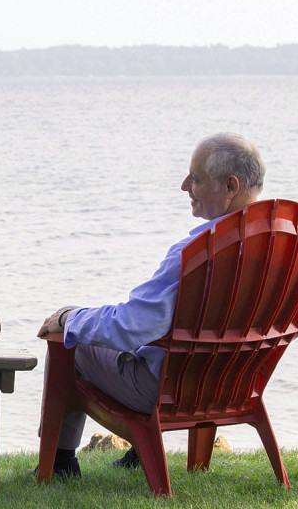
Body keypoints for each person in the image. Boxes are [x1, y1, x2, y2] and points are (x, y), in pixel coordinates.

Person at [35, 132, 274, 477]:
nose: (183, 187)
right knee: (162, 335)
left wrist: (70, 317)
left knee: (70, 339)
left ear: (229, 186)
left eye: (195, 179)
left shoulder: (196, 255)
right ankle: (138, 452)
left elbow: (128, 326)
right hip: (233, 386)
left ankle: (59, 463)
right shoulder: (285, 247)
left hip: (167, 393)